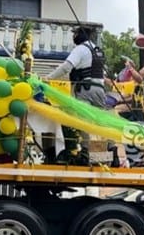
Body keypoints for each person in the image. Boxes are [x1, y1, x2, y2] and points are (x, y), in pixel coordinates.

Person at [46, 26, 107, 165]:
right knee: (102, 123)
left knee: (82, 121)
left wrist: (48, 78)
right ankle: (110, 152)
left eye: (76, 34)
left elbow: (66, 67)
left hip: (85, 90)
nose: (74, 37)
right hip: (100, 90)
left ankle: (85, 152)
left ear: (81, 35)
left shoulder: (80, 49)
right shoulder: (98, 50)